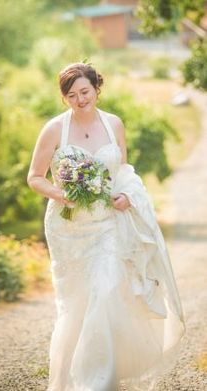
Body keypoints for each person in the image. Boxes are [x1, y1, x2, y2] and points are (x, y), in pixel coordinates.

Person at [27, 62, 185, 391]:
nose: (80, 99)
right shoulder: (55, 129)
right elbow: (34, 178)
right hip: (69, 228)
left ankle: (98, 382)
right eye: (71, 95)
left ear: (97, 88)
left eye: (85, 92)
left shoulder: (114, 124)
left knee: (106, 288)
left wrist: (127, 194)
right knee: (76, 303)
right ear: (64, 98)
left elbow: (124, 172)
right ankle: (70, 376)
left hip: (108, 225)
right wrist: (60, 192)